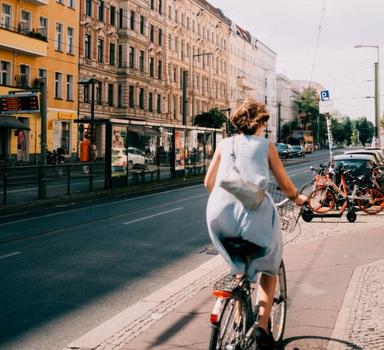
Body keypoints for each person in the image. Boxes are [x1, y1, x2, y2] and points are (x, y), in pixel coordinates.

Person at [204, 99, 307, 349]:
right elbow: (284, 184)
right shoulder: (266, 146)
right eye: (264, 123)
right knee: (270, 268)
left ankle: (238, 313)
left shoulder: (224, 144)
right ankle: (261, 327)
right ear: (260, 122)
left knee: (239, 267)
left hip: (218, 217)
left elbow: (208, 182)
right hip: (254, 215)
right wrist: (297, 197)